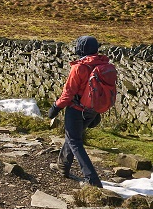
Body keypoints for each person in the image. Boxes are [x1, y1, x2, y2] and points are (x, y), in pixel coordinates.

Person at [49, 35, 117, 187]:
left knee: (75, 141)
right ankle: (62, 167)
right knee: (73, 137)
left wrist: (56, 107)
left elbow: (68, 93)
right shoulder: (103, 65)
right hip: (92, 110)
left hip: (76, 109)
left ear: (80, 49)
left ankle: (92, 179)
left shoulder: (79, 67)